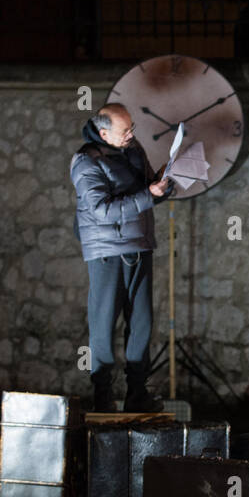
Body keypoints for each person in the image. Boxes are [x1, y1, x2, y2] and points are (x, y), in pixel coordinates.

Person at [69, 103, 173, 413]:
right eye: (124, 131)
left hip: (140, 245)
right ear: (103, 133)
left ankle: (137, 393)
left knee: (141, 321)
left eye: (131, 128)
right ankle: (102, 395)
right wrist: (149, 195)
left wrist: (165, 183)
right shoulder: (86, 162)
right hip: (107, 252)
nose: (131, 135)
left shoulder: (132, 149)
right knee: (103, 323)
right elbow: (102, 210)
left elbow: (144, 190)